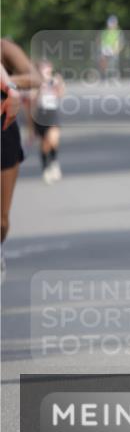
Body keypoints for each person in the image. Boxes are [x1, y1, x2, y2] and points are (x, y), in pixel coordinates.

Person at [1, 39, 41, 273]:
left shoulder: (4, 48)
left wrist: (7, 82)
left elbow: (35, 78)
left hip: (3, 131)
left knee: (1, 220)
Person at [28, 59, 65, 183]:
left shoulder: (54, 81)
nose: (47, 73)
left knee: (53, 139)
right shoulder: (34, 84)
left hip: (53, 114)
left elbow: (61, 94)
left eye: (48, 70)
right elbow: (31, 103)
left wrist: (59, 84)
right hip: (40, 115)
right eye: (44, 70)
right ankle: (45, 168)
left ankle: (54, 162)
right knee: (45, 143)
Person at [99, 15, 123, 81]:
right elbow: (101, 42)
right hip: (105, 50)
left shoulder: (119, 32)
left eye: (113, 23)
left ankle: (114, 76)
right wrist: (102, 51)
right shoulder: (104, 32)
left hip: (114, 50)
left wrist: (117, 50)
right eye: (110, 23)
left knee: (113, 64)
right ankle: (104, 77)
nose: (111, 25)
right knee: (103, 62)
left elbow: (120, 43)